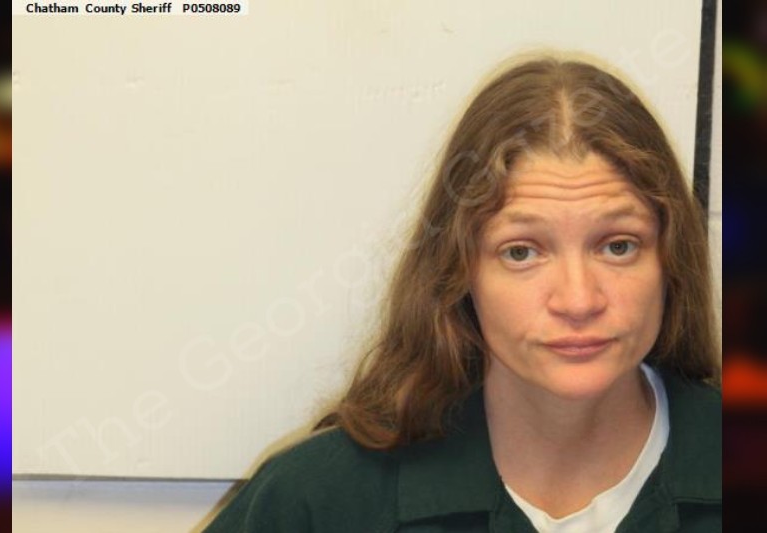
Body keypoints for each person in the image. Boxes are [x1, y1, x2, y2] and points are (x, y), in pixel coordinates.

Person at [203, 54, 721, 532]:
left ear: (671, 258)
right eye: (521, 252)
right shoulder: (319, 501)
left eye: (618, 246)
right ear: (458, 271)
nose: (579, 300)